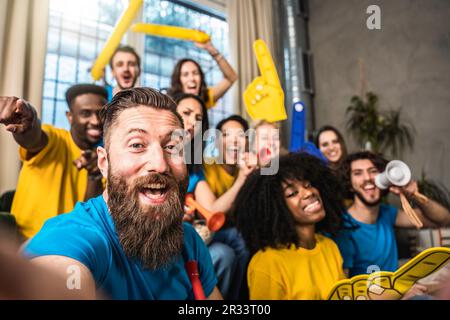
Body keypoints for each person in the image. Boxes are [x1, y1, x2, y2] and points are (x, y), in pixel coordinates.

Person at [24, 88, 221, 300]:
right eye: (137, 145)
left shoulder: (190, 241)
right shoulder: (75, 239)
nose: (160, 164)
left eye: (173, 147)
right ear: (104, 162)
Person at [233, 152, 347, 300]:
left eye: (308, 185)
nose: (307, 193)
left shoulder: (329, 247)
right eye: (292, 193)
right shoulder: (268, 262)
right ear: (274, 207)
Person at [0, 84, 107, 239]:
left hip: (70, 250)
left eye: (101, 114)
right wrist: (29, 123)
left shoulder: (105, 161)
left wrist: (94, 176)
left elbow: (90, 222)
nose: (96, 121)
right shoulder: (54, 138)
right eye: (85, 113)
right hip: (26, 246)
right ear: (70, 116)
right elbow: (33, 138)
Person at [334, 151, 450, 277]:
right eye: (358, 173)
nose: (367, 177)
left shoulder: (387, 213)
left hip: (397, 291)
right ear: (350, 185)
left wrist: (413, 196)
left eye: (373, 171)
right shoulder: (344, 228)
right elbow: (346, 290)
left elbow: (443, 219)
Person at [174, 93, 237, 299]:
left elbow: (212, 210)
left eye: (199, 118)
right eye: (186, 113)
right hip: (164, 240)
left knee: (225, 253)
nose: (193, 121)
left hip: (187, 237)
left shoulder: (193, 169)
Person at [167, 40, 237, 109]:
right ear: (178, 80)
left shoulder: (205, 99)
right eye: (185, 74)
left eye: (195, 73)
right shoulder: (168, 103)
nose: (192, 78)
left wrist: (211, 49)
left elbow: (231, 78)